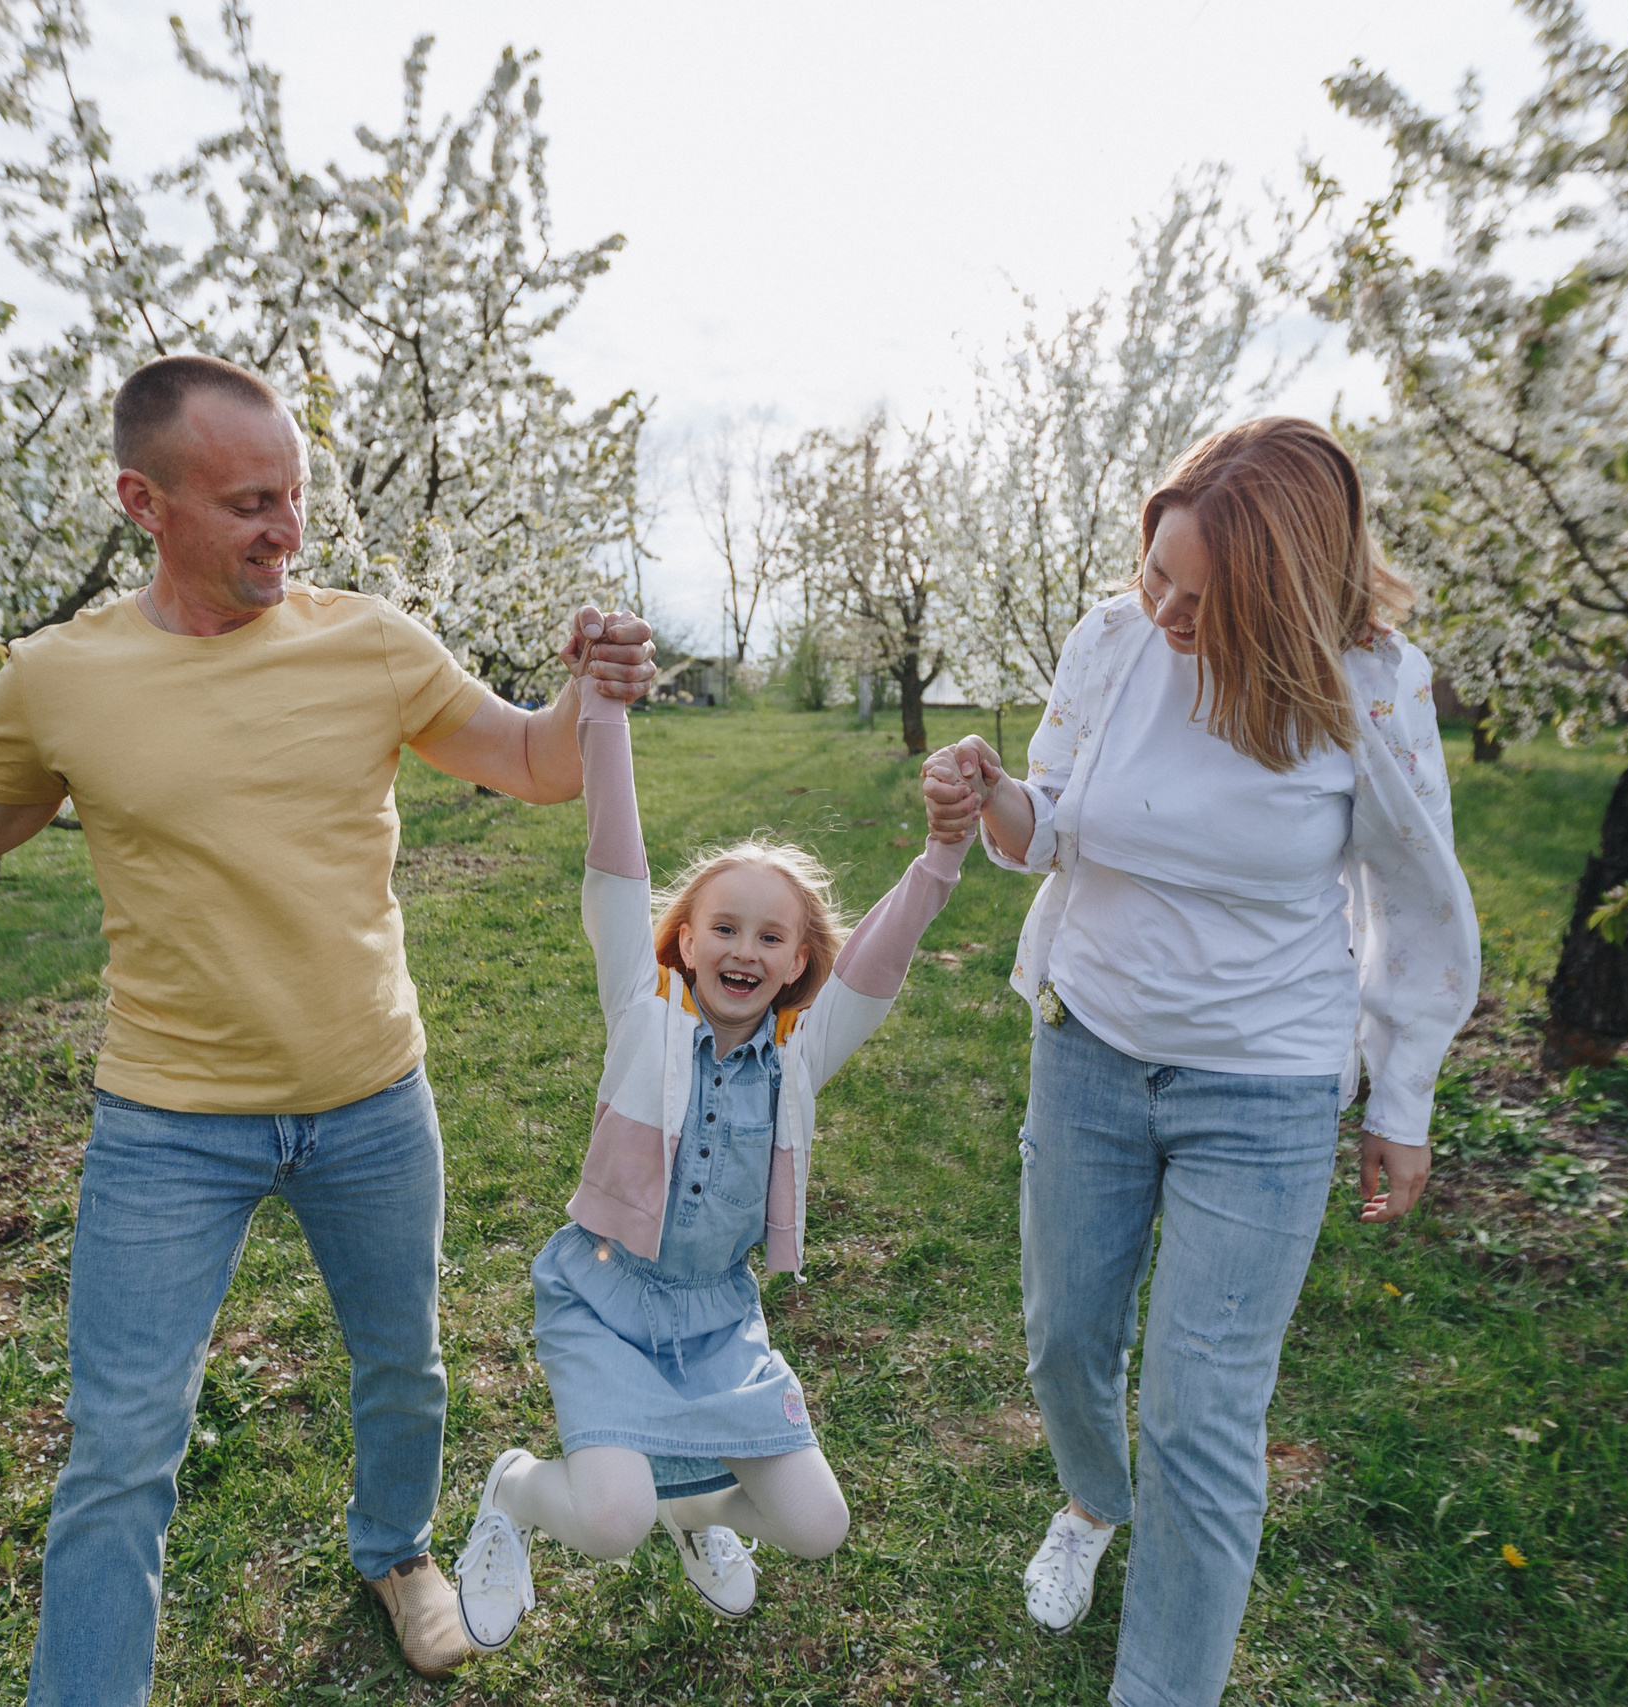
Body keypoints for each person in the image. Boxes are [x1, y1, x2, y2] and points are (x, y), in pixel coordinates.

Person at [0, 354, 657, 1700]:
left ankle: (397, 1549)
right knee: (118, 1448)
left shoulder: (372, 641)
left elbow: (533, 760)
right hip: (169, 1128)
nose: (286, 529)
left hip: (370, 1099)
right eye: (248, 502)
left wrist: (590, 687)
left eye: (295, 495)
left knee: (404, 1362)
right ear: (140, 502)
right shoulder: (62, 680)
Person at [922, 417, 1480, 1707]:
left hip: (1266, 1088)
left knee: (1202, 1415)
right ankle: (1088, 1500)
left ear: (1282, 597)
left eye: (1197, 595)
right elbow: (1047, 825)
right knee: (1065, 1339)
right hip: (1090, 1050)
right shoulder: (1114, 641)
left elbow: (1418, 897)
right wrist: (992, 792)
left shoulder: (1371, 685)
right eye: (1153, 574)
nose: (1162, 607)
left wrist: (1403, 1094)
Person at [447, 672, 974, 1653]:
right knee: (608, 1521)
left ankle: (693, 1518)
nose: (742, 948)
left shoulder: (800, 1054)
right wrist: (603, 714)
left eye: (770, 938)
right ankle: (513, 1491)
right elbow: (614, 861)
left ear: (795, 964)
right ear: (683, 941)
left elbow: (882, 958)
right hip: (604, 1297)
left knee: (818, 1525)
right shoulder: (642, 1014)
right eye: (722, 927)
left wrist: (943, 853)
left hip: (720, 1313)